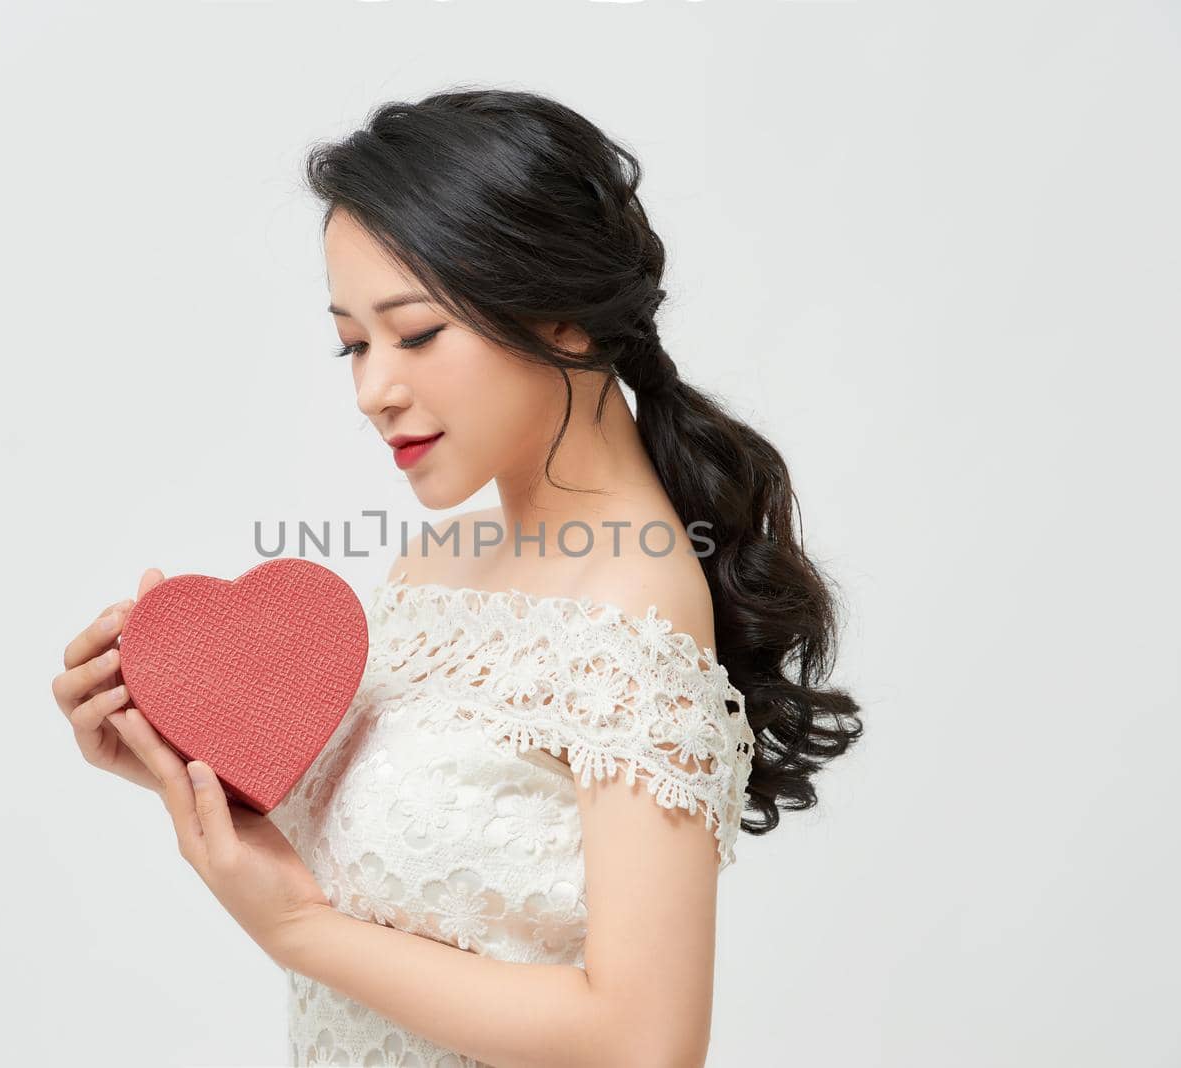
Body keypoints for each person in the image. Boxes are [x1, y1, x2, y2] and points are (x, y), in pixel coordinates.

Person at [50, 87, 863, 1068]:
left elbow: (646, 1043)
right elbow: (410, 875)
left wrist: (296, 930)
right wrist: (183, 756)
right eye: (352, 342)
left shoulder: (632, 604)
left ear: (562, 314)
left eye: (416, 333)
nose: (372, 390)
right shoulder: (433, 565)